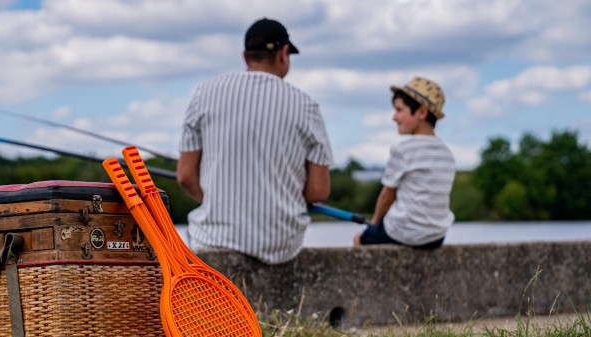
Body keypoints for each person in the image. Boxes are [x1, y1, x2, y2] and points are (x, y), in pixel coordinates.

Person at [177, 18, 333, 265]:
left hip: (212, 240)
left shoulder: (204, 94)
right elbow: (318, 191)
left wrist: (220, 203)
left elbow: (185, 176)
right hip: (281, 247)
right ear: (283, 54)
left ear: (245, 56)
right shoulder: (306, 106)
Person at [354, 76, 456, 249]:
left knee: (360, 239)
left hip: (403, 232)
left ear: (422, 112)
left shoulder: (403, 149)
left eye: (399, 110)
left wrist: (374, 224)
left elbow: (387, 195)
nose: (395, 117)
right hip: (436, 235)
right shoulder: (447, 154)